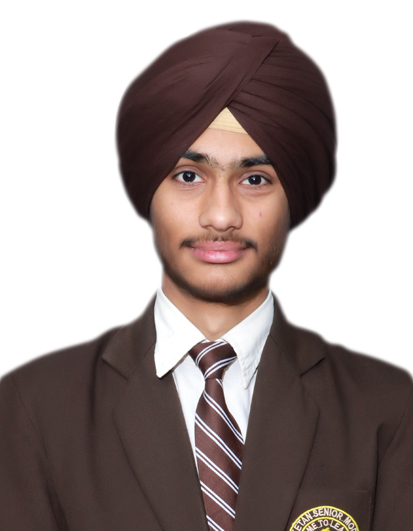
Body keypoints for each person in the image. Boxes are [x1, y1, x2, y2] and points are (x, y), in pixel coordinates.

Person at [0, 21, 412, 531]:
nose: (221, 215)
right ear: (150, 192)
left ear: (292, 198)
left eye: (255, 179)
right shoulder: (36, 408)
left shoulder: (386, 408)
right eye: (189, 176)